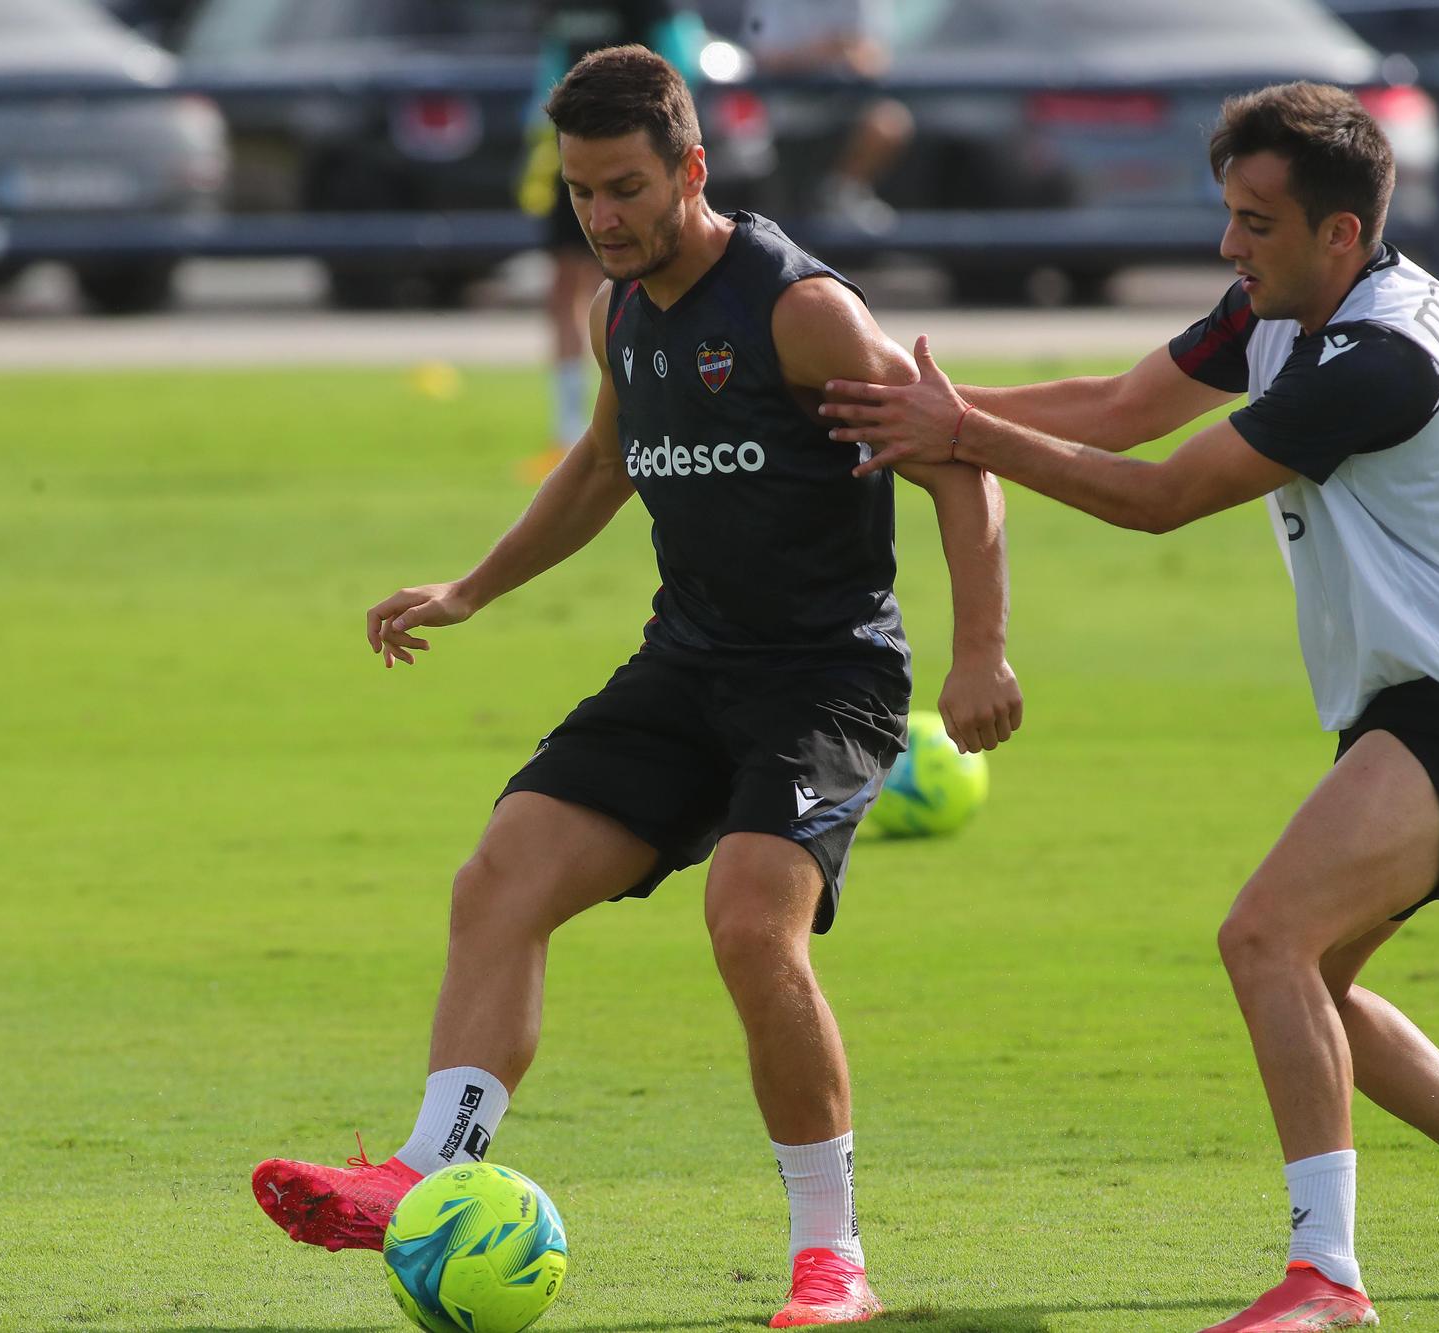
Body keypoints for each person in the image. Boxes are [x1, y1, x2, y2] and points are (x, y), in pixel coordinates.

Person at [819, 81, 1439, 1333]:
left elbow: (1156, 496)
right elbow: (1121, 409)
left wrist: (957, 428)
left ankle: (1327, 1280)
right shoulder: (1281, 309)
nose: (1226, 247)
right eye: (1229, 215)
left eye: (1254, 222)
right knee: (1319, 987)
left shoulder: (1378, 355)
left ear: (1339, 235)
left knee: (1263, 942)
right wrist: (913, 417)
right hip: (1410, 711)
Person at [253, 44, 1024, 1330]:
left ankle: (830, 1260)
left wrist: (980, 649)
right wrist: (472, 587)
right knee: (499, 877)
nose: (601, 218)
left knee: (744, 923)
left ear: (690, 171)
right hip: (688, 660)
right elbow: (604, 462)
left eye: (624, 188)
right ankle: (423, 1172)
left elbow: (957, 462)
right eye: (581, 194)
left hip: (823, 677)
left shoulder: (798, 308)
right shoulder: (620, 311)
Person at [518, 1, 707, 479]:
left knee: (663, 283)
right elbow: (552, 63)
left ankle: (691, 421)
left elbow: (681, 63)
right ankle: (566, 427)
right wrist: (546, 132)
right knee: (567, 288)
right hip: (581, 148)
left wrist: (649, 134)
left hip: (639, 151)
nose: (601, 217)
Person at [740, 0, 912, 235]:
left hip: (845, 115)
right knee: (784, 235)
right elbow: (764, 58)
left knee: (890, 120)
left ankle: (842, 194)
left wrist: (838, 54)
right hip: (788, 129)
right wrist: (824, 52)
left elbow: (876, 58)